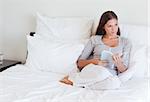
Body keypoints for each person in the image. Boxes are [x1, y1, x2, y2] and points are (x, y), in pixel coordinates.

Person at [60, 11, 131, 89]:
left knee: (114, 83)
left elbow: (124, 70)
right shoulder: (94, 39)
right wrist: (94, 62)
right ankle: (77, 80)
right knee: (101, 73)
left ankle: (77, 82)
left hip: (110, 76)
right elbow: (79, 63)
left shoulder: (125, 42)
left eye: (116, 25)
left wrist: (118, 63)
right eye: (109, 26)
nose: (114, 29)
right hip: (94, 70)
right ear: (103, 27)